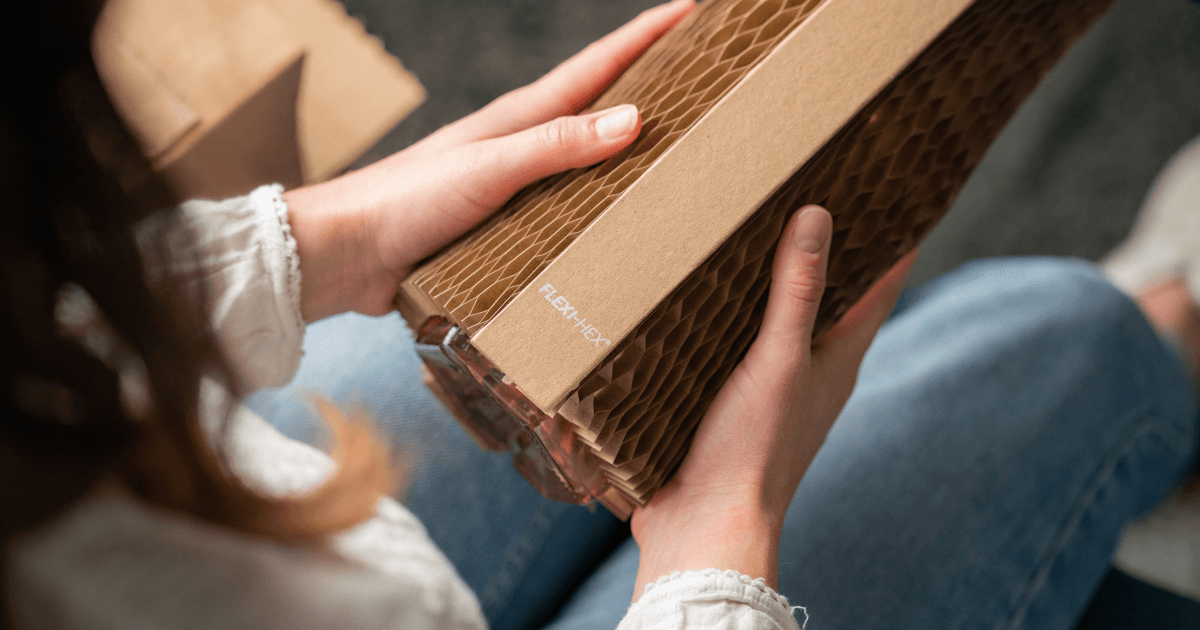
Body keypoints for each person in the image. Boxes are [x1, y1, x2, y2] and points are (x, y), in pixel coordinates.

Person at [3, 1, 1197, 629]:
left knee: (599, 334)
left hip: (220, 495)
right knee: (1050, 340)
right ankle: (1164, 333)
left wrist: (323, 243)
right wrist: (717, 557)